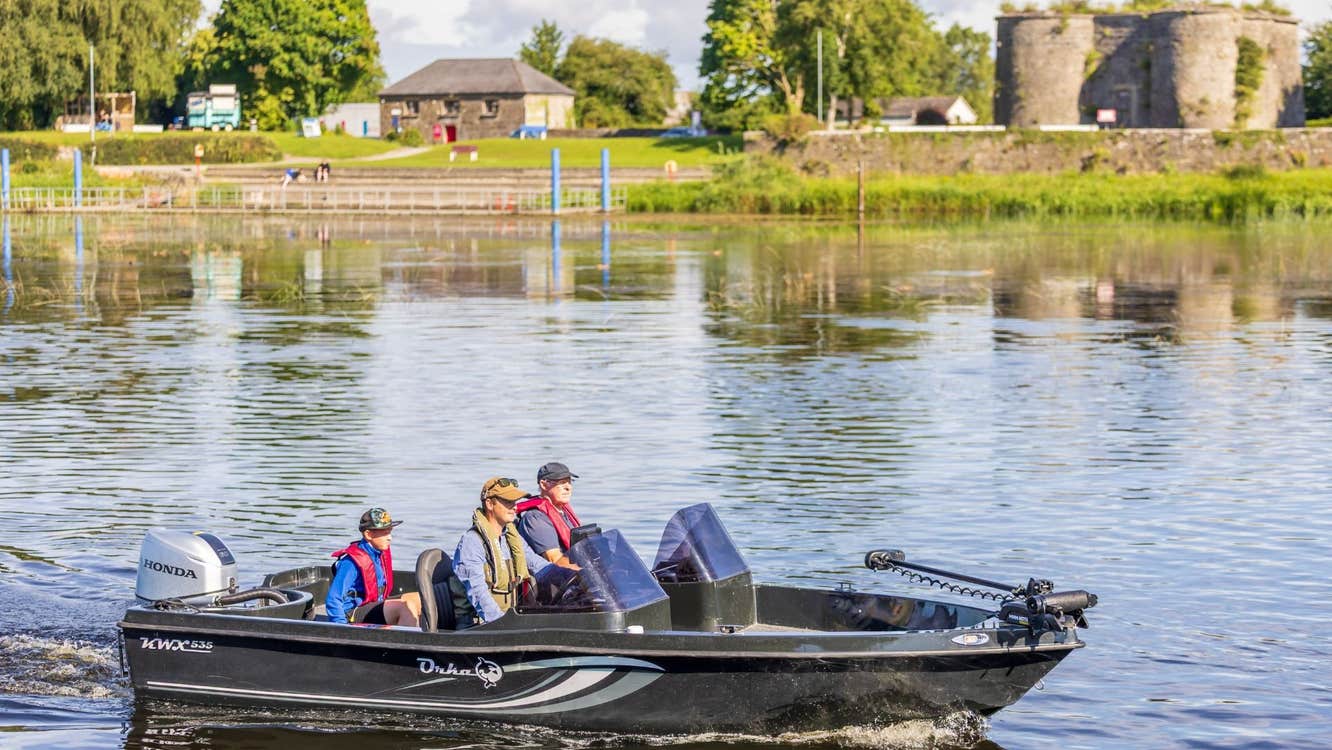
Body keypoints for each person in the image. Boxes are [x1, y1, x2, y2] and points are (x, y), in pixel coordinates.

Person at [451, 477, 558, 628]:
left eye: (515, 502)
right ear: (489, 504)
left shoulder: (510, 537)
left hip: (508, 619)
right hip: (477, 627)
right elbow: (478, 592)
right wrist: (504, 625)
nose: (514, 507)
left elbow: (537, 564)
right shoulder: (472, 542)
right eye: (508, 502)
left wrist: (570, 575)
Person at [326, 507, 421, 626]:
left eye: (390, 532)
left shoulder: (379, 553)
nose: (390, 538)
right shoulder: (351, 562)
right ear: (368, 534)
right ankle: (405, 643)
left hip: (374, 603)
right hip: (352, 613)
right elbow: (333, 599)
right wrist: (342, 629)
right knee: (405, 607)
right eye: (385, 533)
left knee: (419, 598)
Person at [517, 462, 584, 567]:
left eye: (569, 482)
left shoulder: (564, 512)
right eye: (562, 483)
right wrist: (587, 570)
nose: (568, 487)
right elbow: (555, 559)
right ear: (543, 485)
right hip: (555, 578)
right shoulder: (535, 518)